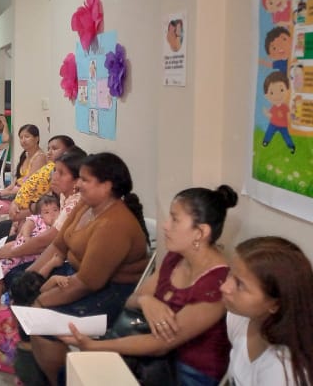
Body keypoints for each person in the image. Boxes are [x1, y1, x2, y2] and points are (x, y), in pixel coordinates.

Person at [60, 184, 238, 386]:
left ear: (200, 232)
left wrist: (94, 346)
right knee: (75, 372)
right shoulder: (175, 258)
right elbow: (132, 301)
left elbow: (161, 344)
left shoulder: (217, 284)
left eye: (175, 219)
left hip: (188, 372)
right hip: (151, 360)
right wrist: (147, 301)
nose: (165, 225)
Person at [29, 152, 150, 386]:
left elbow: (87, 283)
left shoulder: (114, 224)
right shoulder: (86, 204)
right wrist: (32, 276)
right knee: (26, 292)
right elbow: (59, 244)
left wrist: (41, 301)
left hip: (112, 293)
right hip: (75, 278)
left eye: (85, 180)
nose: (78, 185)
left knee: (42, 324)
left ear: (107, 186)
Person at [221, 236, 313, 386]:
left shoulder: (280, 370)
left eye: (240, 284)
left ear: (275, 304)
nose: (224, 287)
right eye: (230, 273)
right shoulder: (240, 317)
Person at [0, 135, 77, 260]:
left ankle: (1, 260)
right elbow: (23, 184)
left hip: (37, 218)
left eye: (54, 149)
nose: (49, 152)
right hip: (27, 210)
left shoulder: (44, 163)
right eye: (21, 137)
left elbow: (46, 209)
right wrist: (15, 202)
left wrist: (23, 219)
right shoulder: (30, 158)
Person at [0, 195, 60, 321]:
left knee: (20, 276)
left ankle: (8, 301)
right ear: (40, 214)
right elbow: (27, 226)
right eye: (46, 212)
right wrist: (26, 237)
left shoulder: (57, 227)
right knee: (0, 269)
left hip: (35, 257)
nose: (52, 214)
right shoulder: (37, 220)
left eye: (55, 210)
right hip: (22, 251)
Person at [0, 124, 47, 261]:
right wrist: (6, 190)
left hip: (25, 200)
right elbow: (17, 180)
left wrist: (6, 193)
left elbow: (29, 186)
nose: (23, 140)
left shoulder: (39, 158)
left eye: (27, 137)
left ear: (37, 138)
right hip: (15, 193)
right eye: (21, 137)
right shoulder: (25, 155)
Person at [261, 71, 296, 154]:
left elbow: (288, 115)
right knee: (269, 132)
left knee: (286, 136)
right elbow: (270, 115)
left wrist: (292, 115)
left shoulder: (285, 107)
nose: (277, 95)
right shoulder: (273, 107)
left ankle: (291, 146)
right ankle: (266, 141)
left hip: (283, 125)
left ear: (287, 90)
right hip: (273, 124)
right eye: (272, 92)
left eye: (281, 90)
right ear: (267, 95)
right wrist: (266, 113)